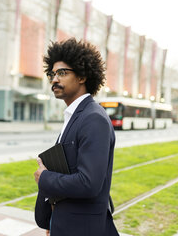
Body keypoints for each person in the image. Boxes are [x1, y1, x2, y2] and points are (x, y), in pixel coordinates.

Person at [34, 38, 119, 236]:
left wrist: (45, 178)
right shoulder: (77, 115)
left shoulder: (93, 119)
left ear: (82, 76)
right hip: (66, 224)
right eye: (52, 74)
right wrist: (54, 220)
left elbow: (89, 183)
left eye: (62, 73)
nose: (55, 79)